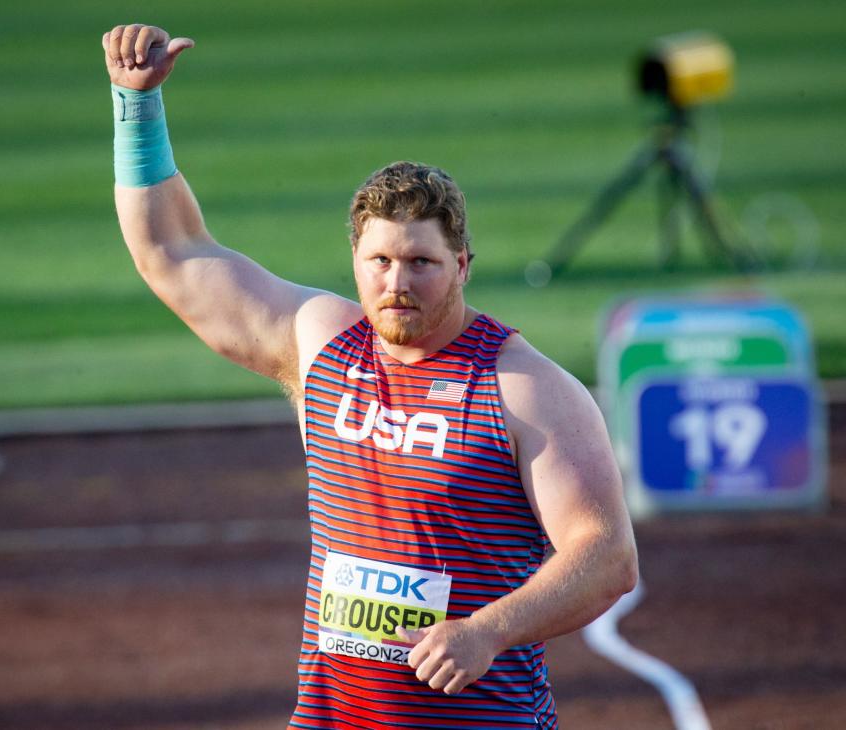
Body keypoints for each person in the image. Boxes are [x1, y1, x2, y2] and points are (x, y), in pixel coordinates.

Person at [102, 24, 638, 730]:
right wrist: (135, 106)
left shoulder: (524, 388)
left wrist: (487, 631)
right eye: (380, 262)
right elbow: (172, 251)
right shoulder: (322, 346)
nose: (397, 283)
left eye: (421, 262)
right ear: (355, 259)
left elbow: (606, 557)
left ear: (463, 266)